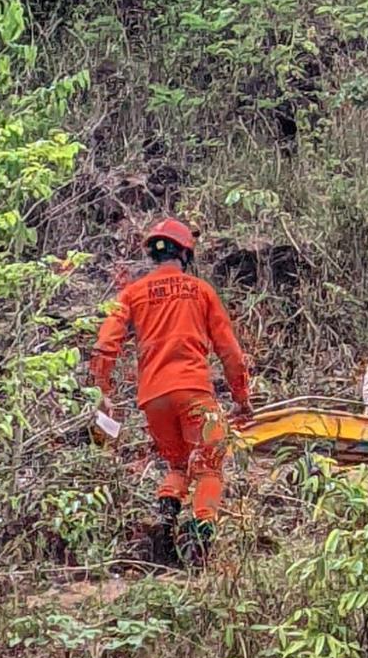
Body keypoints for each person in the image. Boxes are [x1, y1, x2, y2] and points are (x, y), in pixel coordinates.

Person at [90, 219, 252, 566]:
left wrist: (102, 392)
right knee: (210, 465)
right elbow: (230, 353)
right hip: (194, 391)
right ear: (185, 254)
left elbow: (105, 346)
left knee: (178, 463)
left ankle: (165, 526)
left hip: (153, 399)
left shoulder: (131, 294)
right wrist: (241, 398)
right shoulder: (201, 291)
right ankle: (198, 545)